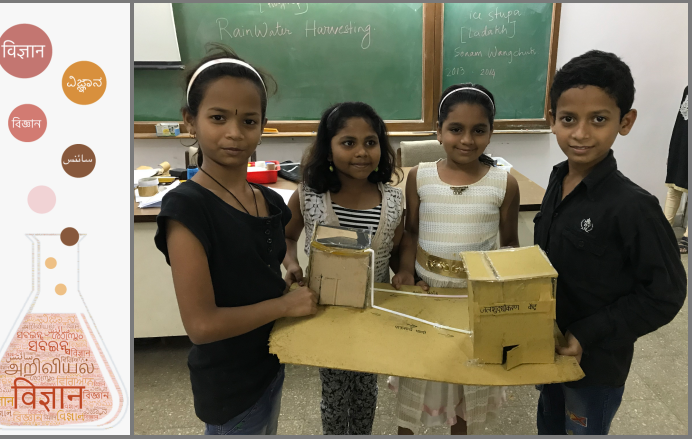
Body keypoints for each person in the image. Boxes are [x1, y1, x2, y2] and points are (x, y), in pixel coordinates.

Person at [154, 44, 318, 435]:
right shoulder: (187, 208)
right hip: (229, 384)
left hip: (269, 362)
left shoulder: (266, 198)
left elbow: (255, 267)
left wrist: (289, 271)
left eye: (248, 120)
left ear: (263, 125)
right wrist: (284, 305)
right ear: (190, 121)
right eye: (217, 117)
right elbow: (202, 326)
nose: (234, 132)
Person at [535, 49, 688, 435]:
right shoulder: (556, 181)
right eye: (568, 119)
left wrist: (587, 333)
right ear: (553, 120)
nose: (581, 133)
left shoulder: (634, 207)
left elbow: (666, 294)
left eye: (598, 119)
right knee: (548, 425)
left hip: (596, 367)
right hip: (547, 350)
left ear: (625, 121)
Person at [390, 83, 520, 435]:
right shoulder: (420, 176)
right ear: (438, 131)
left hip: (473, 301)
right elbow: (411, 233)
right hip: (427, 294)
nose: (467, 140)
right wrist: (404, 270)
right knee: (420, 377)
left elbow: (509, 245)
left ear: (491, 133)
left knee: (466, 381)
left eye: (479, 130)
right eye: (455, 129)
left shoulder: (503, 183)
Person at [283, 101, 405, 434]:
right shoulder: (309, 195)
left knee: (366, 389)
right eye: (348, 143)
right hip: (326, 312)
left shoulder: (393, 199)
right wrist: (291, 262)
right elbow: (288, 236)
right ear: (328, 148)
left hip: (373, 311)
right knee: (335, 393)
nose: (361, 152)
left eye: (370, 142)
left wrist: (404, 270)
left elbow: (397, 246)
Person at [663, 86, 688, 253]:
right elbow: (680, 123)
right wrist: (674, 150)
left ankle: (687, 237)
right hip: (682, 145)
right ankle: (663, 230)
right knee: (673, 188)